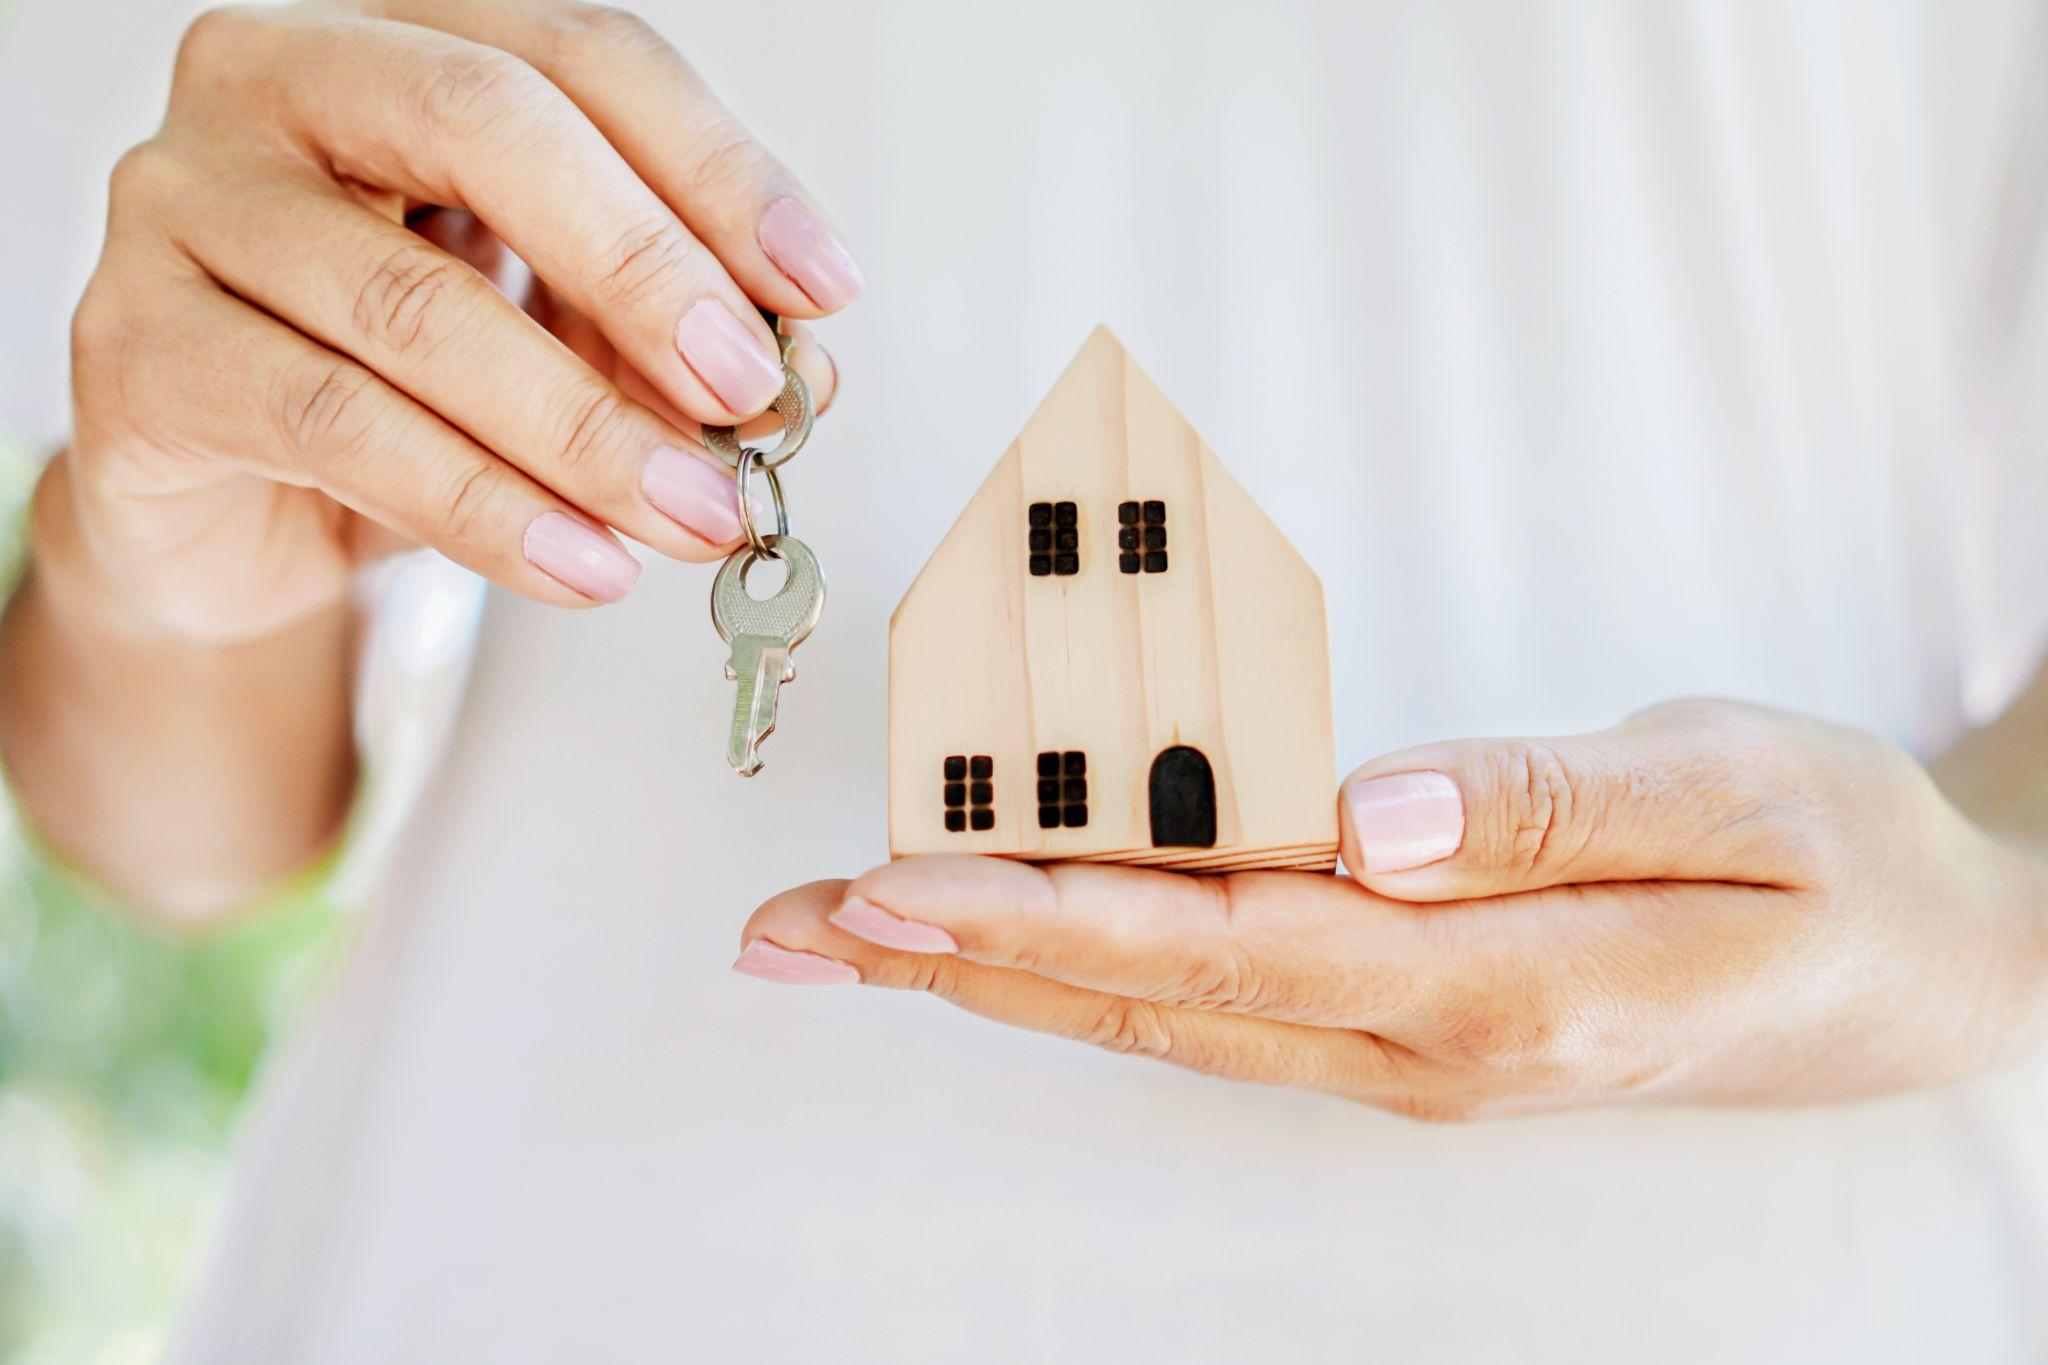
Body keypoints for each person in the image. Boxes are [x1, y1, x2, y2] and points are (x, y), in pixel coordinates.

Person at [4, 0, 2047, 1358]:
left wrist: (1988, 905)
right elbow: (173, 828)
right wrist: (155, 556)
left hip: (1743, 1269)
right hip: (567, 1259)